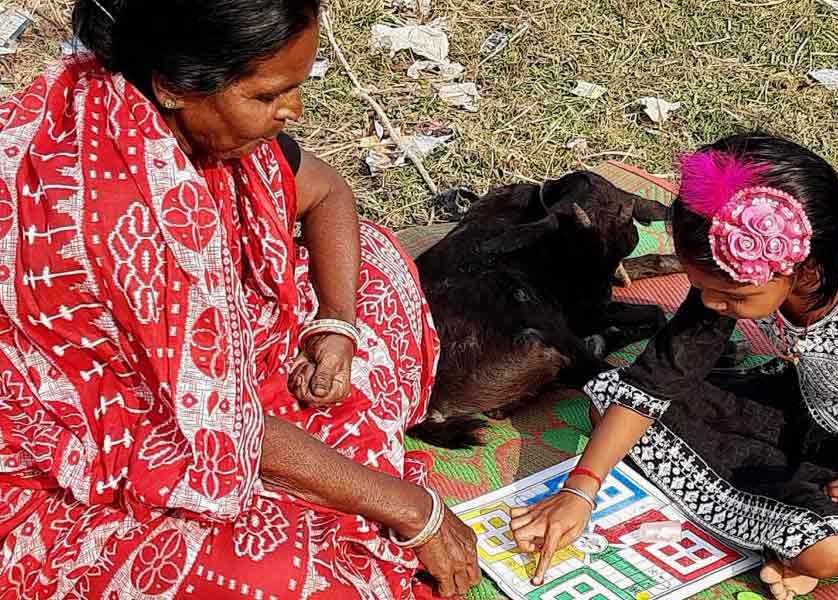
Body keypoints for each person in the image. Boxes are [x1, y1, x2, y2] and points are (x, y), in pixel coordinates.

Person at [0, 1, 480, 598]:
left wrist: (336, 326)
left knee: (377, 266)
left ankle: (330, 464)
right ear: (175, 85)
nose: (292, 112)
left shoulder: (191, 121)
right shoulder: (114, 216)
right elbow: (201, 429)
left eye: (296, 88)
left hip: (217, 380)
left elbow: (329, 192)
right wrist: (413, 510)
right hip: (103, 442)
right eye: (266, 96)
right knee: (287, 578)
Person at [509, 132, 838, 600]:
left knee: (824, 551)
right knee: (615, 401)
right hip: (798, 406)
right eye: (701, 286)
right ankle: (784, 529)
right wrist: (580, 490)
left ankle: (808, 535)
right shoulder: (733, 271)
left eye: (735, 297)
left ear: (805, 268)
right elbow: (659, 376)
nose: (712, 303)